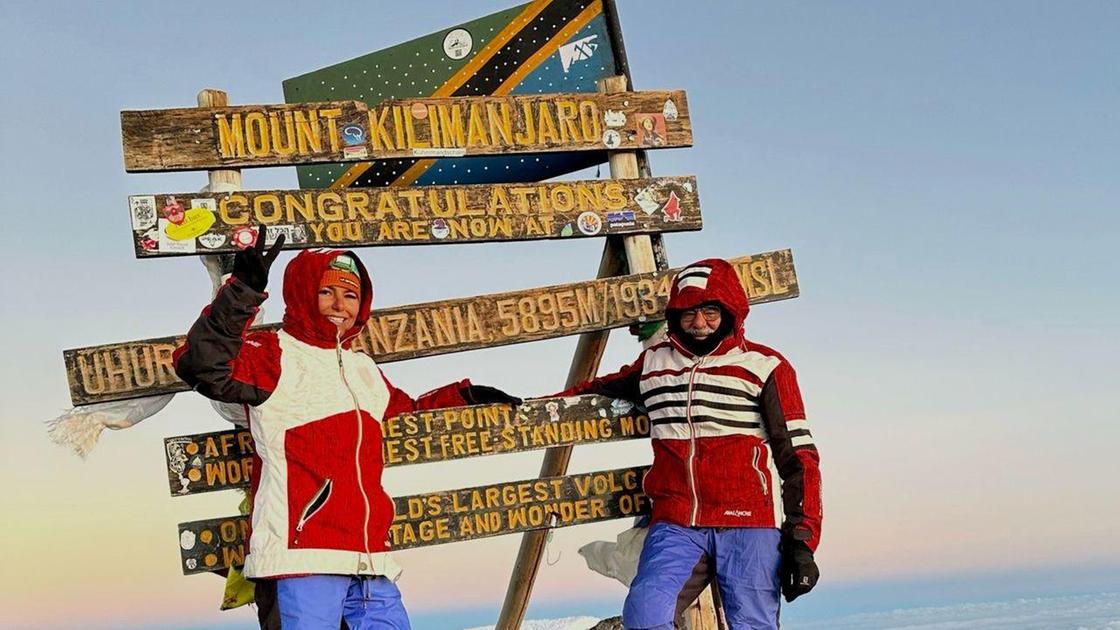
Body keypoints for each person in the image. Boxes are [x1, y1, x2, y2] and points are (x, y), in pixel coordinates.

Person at [173, 229, 519, 629]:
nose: (340, 305)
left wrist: (465, 396)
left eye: (351, 295)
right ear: (303, 293)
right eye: (327, 292)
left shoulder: (363, 370)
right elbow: (199, 364)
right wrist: (242, 292)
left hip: (370, 561)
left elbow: (408, 411)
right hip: (300, 561)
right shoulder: (274, 355)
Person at [561, 258, 821, 630]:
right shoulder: (654, 363)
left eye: (711, 312)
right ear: (675, 316)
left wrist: (802, 541)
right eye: (689, 314)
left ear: (731, 310)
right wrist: (512, 402)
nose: (700, 324)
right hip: (677, 522)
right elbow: (589, 392)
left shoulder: (765, 366)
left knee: (753, 625)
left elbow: (799, 457)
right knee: (646, 615)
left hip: (747, 521)